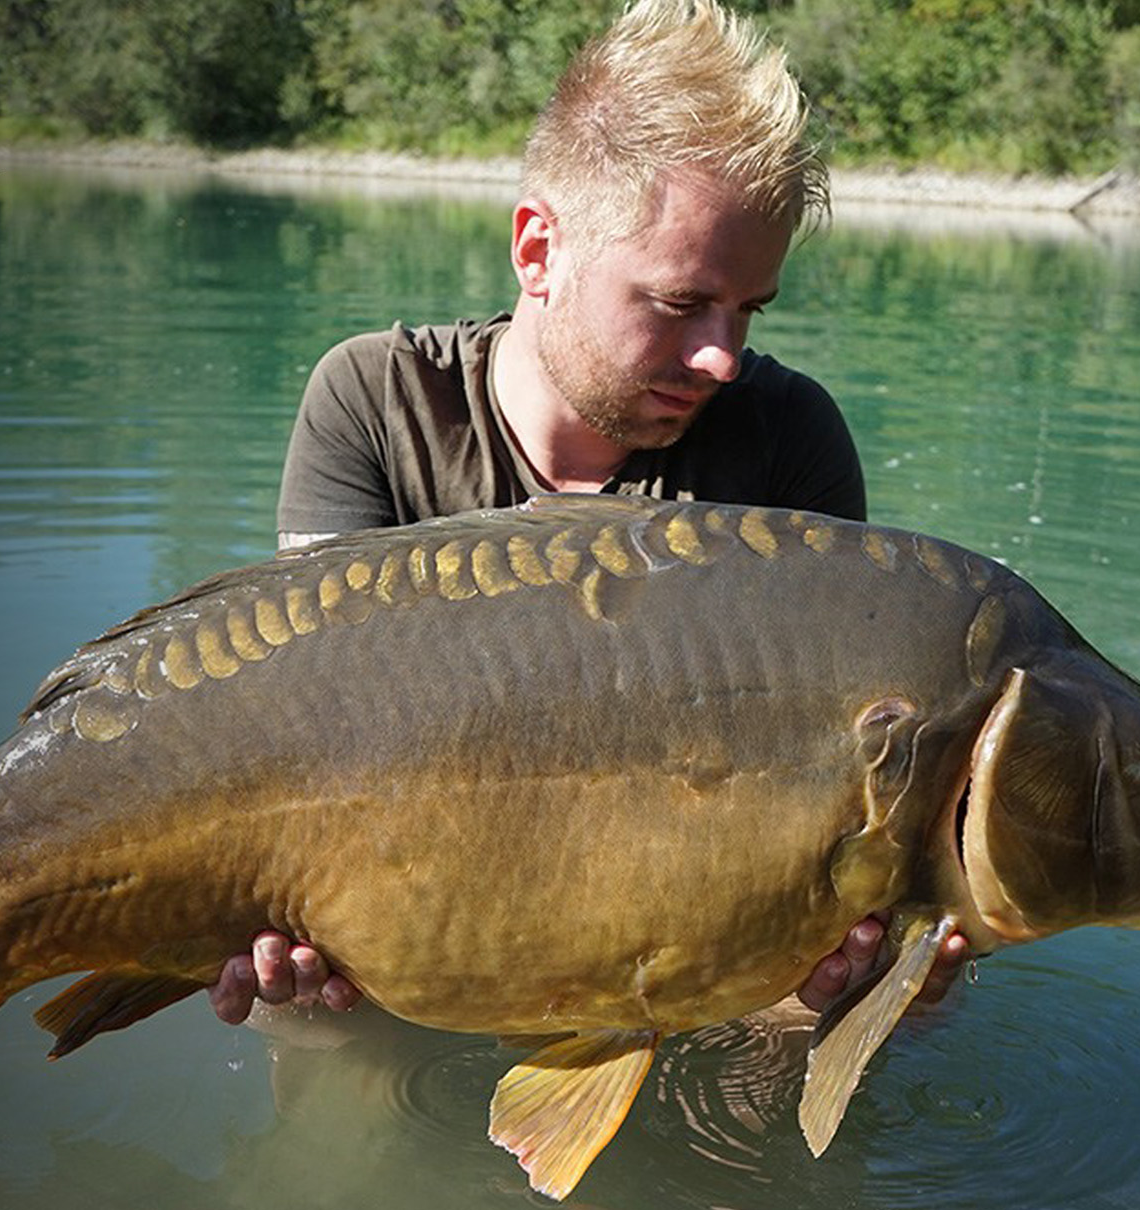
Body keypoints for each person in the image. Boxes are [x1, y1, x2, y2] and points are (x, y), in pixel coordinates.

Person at [208, 0, 966, 1030]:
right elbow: (306, 740)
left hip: (672, 959)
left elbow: (818, 837)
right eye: (680, 302)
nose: (722, 356)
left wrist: (822, 990)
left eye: (749, 308)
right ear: (538, 250)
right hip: (400, 944)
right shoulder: (375, 404)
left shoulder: (788, 441)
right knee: (309, 1026)